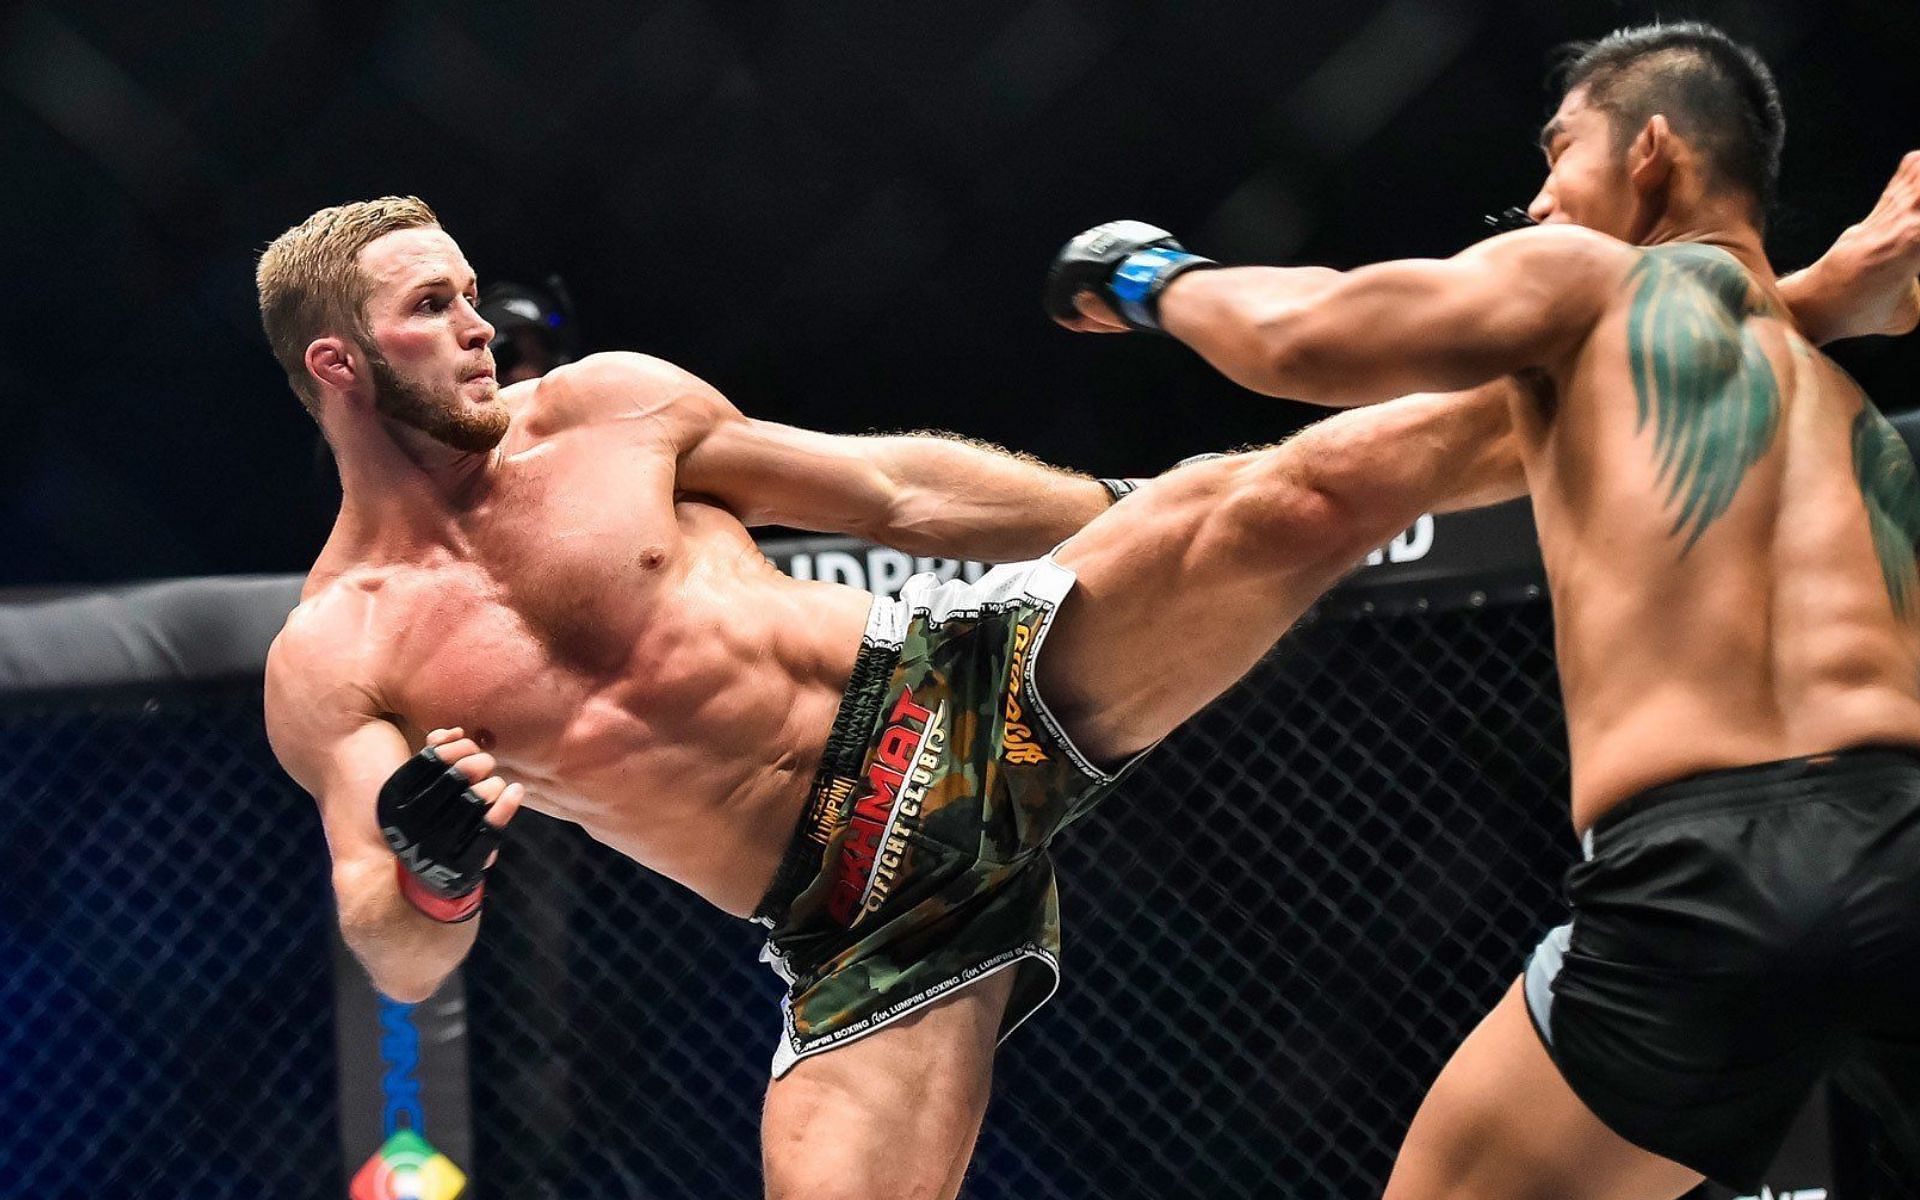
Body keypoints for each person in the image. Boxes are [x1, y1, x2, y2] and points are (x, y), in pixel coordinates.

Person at [256, 157, 1899, 1200]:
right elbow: (392, 956)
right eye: (430, 309)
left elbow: (894, 488)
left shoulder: (611, 410)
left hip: (953, 708)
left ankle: (1799, 305)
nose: (479, 325)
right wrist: (436, 870)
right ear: (337, 364)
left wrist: (1130, 521)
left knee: (1295, 494)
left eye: (474, 291)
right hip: (852, 923)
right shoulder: (339, 655)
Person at [1048, 21, 1920, 1199]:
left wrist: (1148, 275)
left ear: (1650, 154)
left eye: (1562, 152)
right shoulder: (1853, 425)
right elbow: (1734, 328)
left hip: (1699, 879)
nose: (1537, 200)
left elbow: (1299, 333)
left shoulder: (1582, 280)